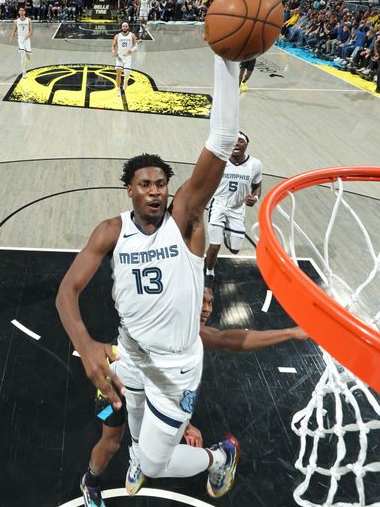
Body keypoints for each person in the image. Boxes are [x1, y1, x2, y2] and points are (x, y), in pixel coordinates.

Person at [56, 53, 242, 502]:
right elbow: (67, 292)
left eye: (161, 183)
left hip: (175, 366)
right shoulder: (112, 230)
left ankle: (221, 456)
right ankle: (135, 456)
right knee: (134, 436)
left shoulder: (184, 220)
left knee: (156, 463)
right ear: (130, 189)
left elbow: (222, 139)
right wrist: (84, 347)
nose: (155, 190)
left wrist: (226, 61)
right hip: (133, 354)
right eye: (145, 183)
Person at [80, 286, 309, 507]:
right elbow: (226, 340)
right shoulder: (165, 317)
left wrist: (290, 332)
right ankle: (91, 481)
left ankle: (214, 456)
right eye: (201, 301)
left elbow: (225, 339)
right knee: (110, 443)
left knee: (151, 444)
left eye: (210, 302)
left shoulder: (187, 331)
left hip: (148, 384)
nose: (207, 309)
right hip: (114, 379)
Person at [205, 132, 262, 280]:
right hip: (218, 205)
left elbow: (257, 185)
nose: (236, 143)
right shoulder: (219, 161)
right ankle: (209, 273)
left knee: (235, 250)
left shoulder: (255, 164)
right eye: (233, 141)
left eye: (241, 141)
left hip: (237, 209)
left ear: (246, 145)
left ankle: (226, 232)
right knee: (214, 245)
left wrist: (255, 197)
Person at [111, 22, 139, 97]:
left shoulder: (132, 35)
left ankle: (125, 81)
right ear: (121, 27)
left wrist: (132, 50)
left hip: (128, 57)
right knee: (118, 73)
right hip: (119, 57)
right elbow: (113, 45)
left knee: (127, 73)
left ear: (128, 27)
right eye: (123, 26)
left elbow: (136, 46)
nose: (125, 27)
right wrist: (113, 50)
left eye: (126, 26)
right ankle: (118, 90)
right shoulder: (117, 36)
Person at [9, 7, 32, 79]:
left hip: (27, 39)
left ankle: (24, 68)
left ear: (24, 12)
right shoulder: (16, 21)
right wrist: (12, 37)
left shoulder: (29, 20)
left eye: (22, 10)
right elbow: (14, 30)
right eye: (20, 10)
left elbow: (31, 30)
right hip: (20, 39)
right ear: (19, 12)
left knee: (29, 58)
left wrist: (29, 34)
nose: (21, 11)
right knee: (23, 54)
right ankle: (24, 72)